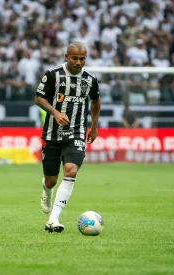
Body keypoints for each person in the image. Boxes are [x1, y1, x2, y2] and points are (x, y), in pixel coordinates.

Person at [35, 42, 101, 233]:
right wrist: (55, 113)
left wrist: (94, 127)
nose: (78, 62)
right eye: (75, 58)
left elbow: (96, 101)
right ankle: (46, 192)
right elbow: (39, 98)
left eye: (82, 59)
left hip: (77, 132)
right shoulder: (52, 74)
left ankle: (53, 219)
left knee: (71, 171)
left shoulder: (90, 79)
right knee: (51, 180)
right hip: (52, 133)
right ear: (66, 56)